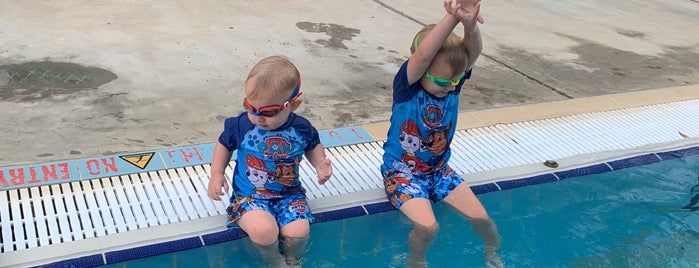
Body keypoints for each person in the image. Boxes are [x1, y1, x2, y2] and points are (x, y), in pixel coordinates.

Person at [379, 0, 504, 267]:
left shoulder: (451, 85)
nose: (450, 88)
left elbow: (473, 52)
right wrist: (453, 18)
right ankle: (417, 260)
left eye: (455, 81)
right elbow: (424, 54)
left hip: (439, 172)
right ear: (421, 70)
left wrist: (470, 25)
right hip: (402, 174)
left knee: (483, 219)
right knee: (428, 227)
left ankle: (491, 251)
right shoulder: (408, 87)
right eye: (443, 82)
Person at [207, 55, 333, 267]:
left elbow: (312, 145)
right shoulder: (242, 125)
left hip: (289, 196)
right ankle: (275, 261)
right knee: (264, 232)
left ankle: (293, 260)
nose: (257, 116)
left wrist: (320, 162)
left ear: (293, 105)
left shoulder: (301, 128)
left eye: (268, 111)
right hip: (249, 197)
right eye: (250, 106)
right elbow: (223, 145)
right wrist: (216, 174)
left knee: (299, 232)